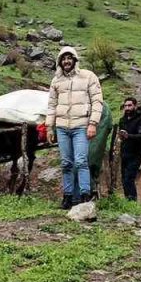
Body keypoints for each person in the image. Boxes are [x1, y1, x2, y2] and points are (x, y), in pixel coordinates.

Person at [46, 46, 104, 209]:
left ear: (75, 60)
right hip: (62, 127)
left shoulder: (88, 77)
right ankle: (68, 196)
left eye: (69, 58)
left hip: (81, 126)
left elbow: (97, 101)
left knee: (80, 161)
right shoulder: (56, 81)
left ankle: (85, 195)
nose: (66, 61)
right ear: (59, 62)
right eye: (63, 59)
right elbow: (51, 105)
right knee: (65, 163)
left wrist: (93, 123)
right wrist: (49, 127)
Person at [117, 97, 141, 201]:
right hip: (124, 153)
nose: (127, 108)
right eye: (125, 106)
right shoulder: (122, 120)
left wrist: (128, 136)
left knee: (129, 178)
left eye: (129, 105)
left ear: (135, 105)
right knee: (123, 179)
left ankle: (132, 200)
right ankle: (127, 200)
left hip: (136, 154)